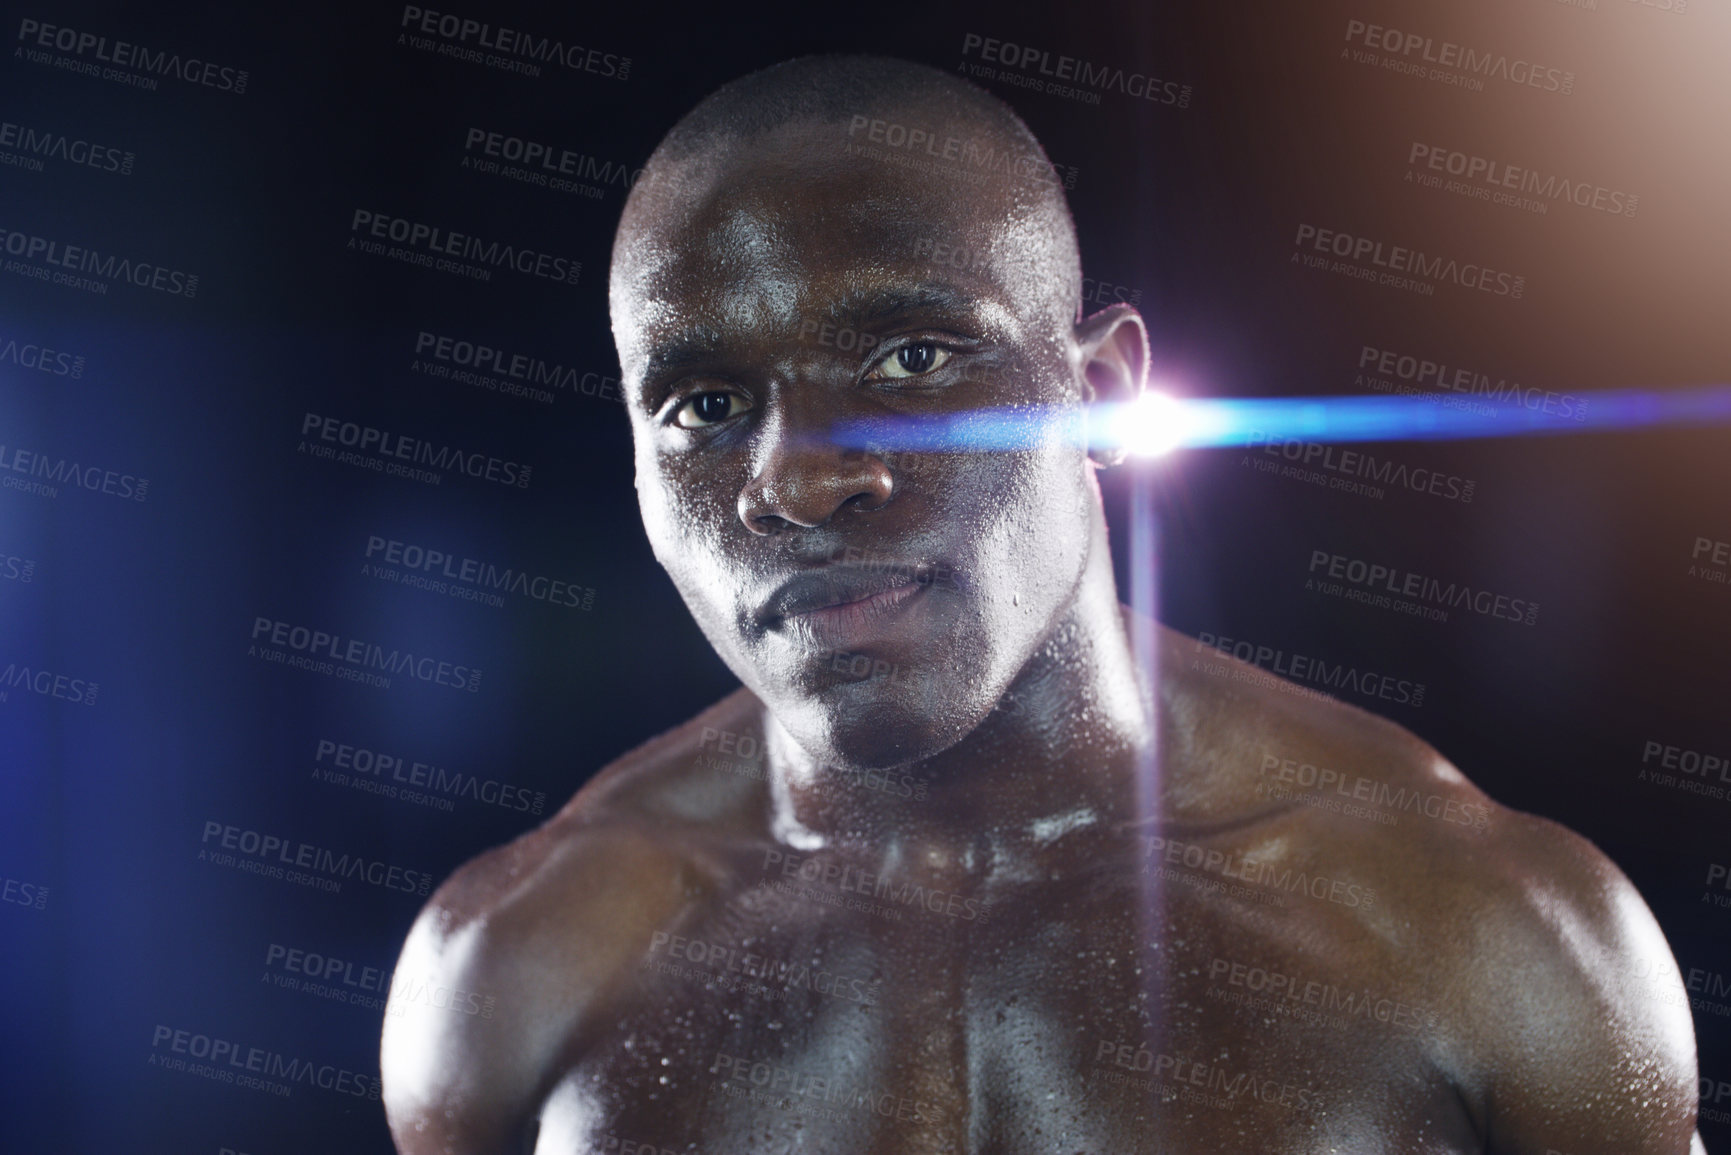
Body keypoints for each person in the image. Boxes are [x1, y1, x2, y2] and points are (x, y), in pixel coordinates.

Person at [381, 55, 1703, 1153]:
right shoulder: (517, 968)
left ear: (1104, 395)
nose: (798, 477)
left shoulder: (1483, 928)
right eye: (706, 407)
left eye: (914, 354)